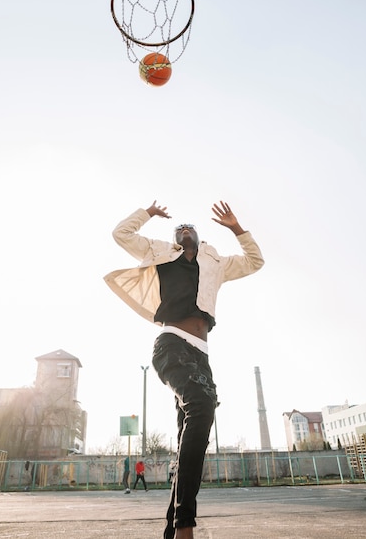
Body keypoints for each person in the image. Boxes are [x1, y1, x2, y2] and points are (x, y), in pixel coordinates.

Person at [104, 201, 264, 539]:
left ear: (199, 236)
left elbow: (255, 261)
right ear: (176, 236)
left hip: (201, 355)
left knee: (189, 441)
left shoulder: (215, 261)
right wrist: (146, 213)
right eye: (180, 227)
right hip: (171, 344)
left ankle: (172, 530)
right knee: (202, 406)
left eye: (190, 226)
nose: (185, 228)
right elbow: (121, 234)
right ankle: (184, 526)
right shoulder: (162, 252)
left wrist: (237, 228)